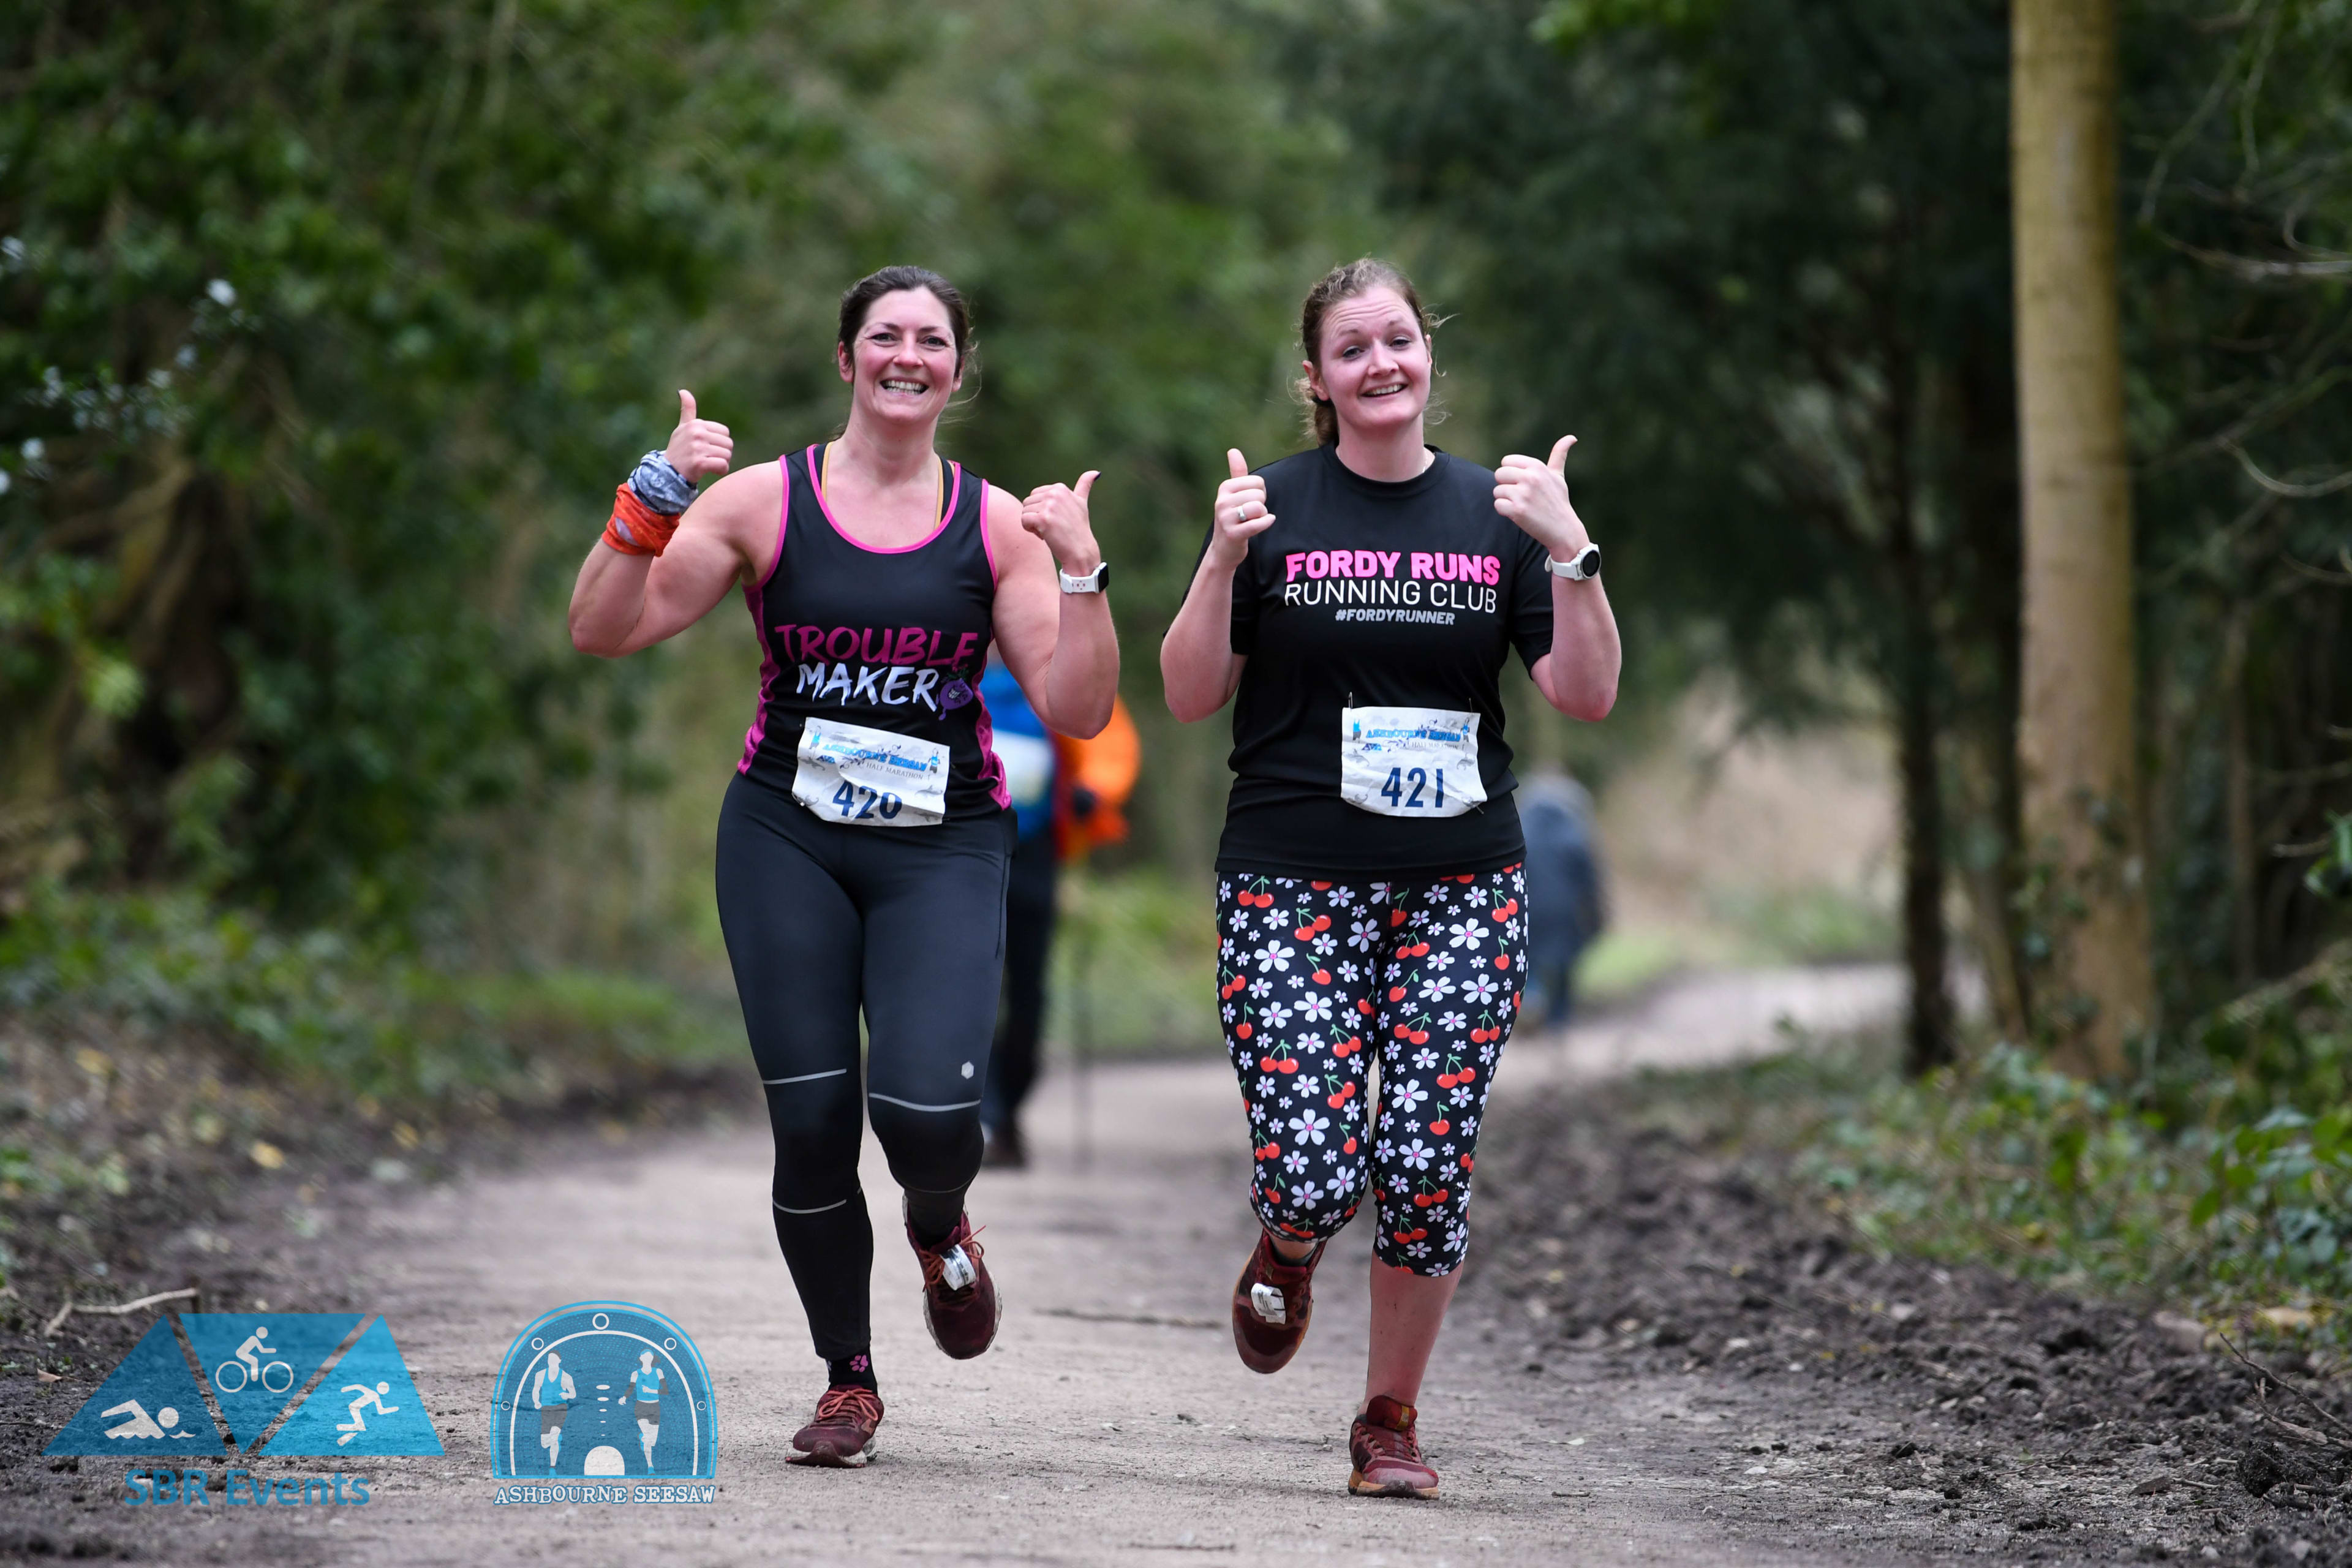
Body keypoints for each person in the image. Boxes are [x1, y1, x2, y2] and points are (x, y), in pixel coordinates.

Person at [568, 265, 1120, 1469]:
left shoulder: (995, 527)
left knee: (924, 1113)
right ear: (846, 358)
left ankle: (940, 1223)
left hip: (944, 844)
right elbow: (603, 626)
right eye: (884, 334)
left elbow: (1079, 707)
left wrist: (1081, 572)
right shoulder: (763, 503)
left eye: (932, 339)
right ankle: (849, 1381)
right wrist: (655, 494)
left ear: (958, 370)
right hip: (788, 835)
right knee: (813, 1119)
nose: (907, 354)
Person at [1160, 258, 1619, 1499]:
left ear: (1428, 355)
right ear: (1316, 378)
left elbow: (1585, 693)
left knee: (1425, 1158)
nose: (1381, 363)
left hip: (1459, 884)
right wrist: (1220, 558)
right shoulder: (1270, 508)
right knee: (1313, 1161)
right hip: (1290, 882)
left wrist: (1572, 551)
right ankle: (1290, 1238)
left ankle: (1389, 1419)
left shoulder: (1498, 514)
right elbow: (1190, 694)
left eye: (1399, 340)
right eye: (1352, 348)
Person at [976, 660, 1140, 1169]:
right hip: (961, 853)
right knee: (970, 987)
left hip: (1035, 855)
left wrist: (1095, 790)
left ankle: (1005, 1110)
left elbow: (1106, 737)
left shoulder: (1049, 670)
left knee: (1028, 994)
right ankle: (983, 1115)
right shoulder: (951, 666)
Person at [1517, 769, 1608, 1029]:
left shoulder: (1520, 831)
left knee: (1529, 960)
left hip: (1527, 907)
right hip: (1565, 911)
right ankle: (1558, 1022)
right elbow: (1590, 881)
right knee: (1564, 964)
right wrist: (1597, 915)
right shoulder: (1574, 834)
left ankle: (1531, 998)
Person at [531, 1352, 574, 1467]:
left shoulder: (566, 1377)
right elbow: (536, 1390)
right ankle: (557, 1439)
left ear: (560, 1361)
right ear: (547, 1361)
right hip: (546, 1410)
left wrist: (567, 1395)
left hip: (561, 1409)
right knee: (545, 1443)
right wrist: (536, 1402)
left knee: (554, 1437)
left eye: (555, 1359)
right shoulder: (540, 1375)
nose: (552, 1361)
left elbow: (573, 1394)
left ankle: (552, 1466)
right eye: (550, 1359)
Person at [629, 1351, 666, 1468]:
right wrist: (624, 1397)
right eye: (645, 1356)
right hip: (641, 1407)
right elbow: (630, 1388)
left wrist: (650, 1391)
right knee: (648, 1438)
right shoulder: (636, 1374)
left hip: (655, 1407)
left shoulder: (658, 1372)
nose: (647, 1358)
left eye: (650, 1357)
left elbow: (665, 1391)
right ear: (641, 1358)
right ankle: (650, 1466)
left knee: (651, 1440)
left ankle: (643, 1438)